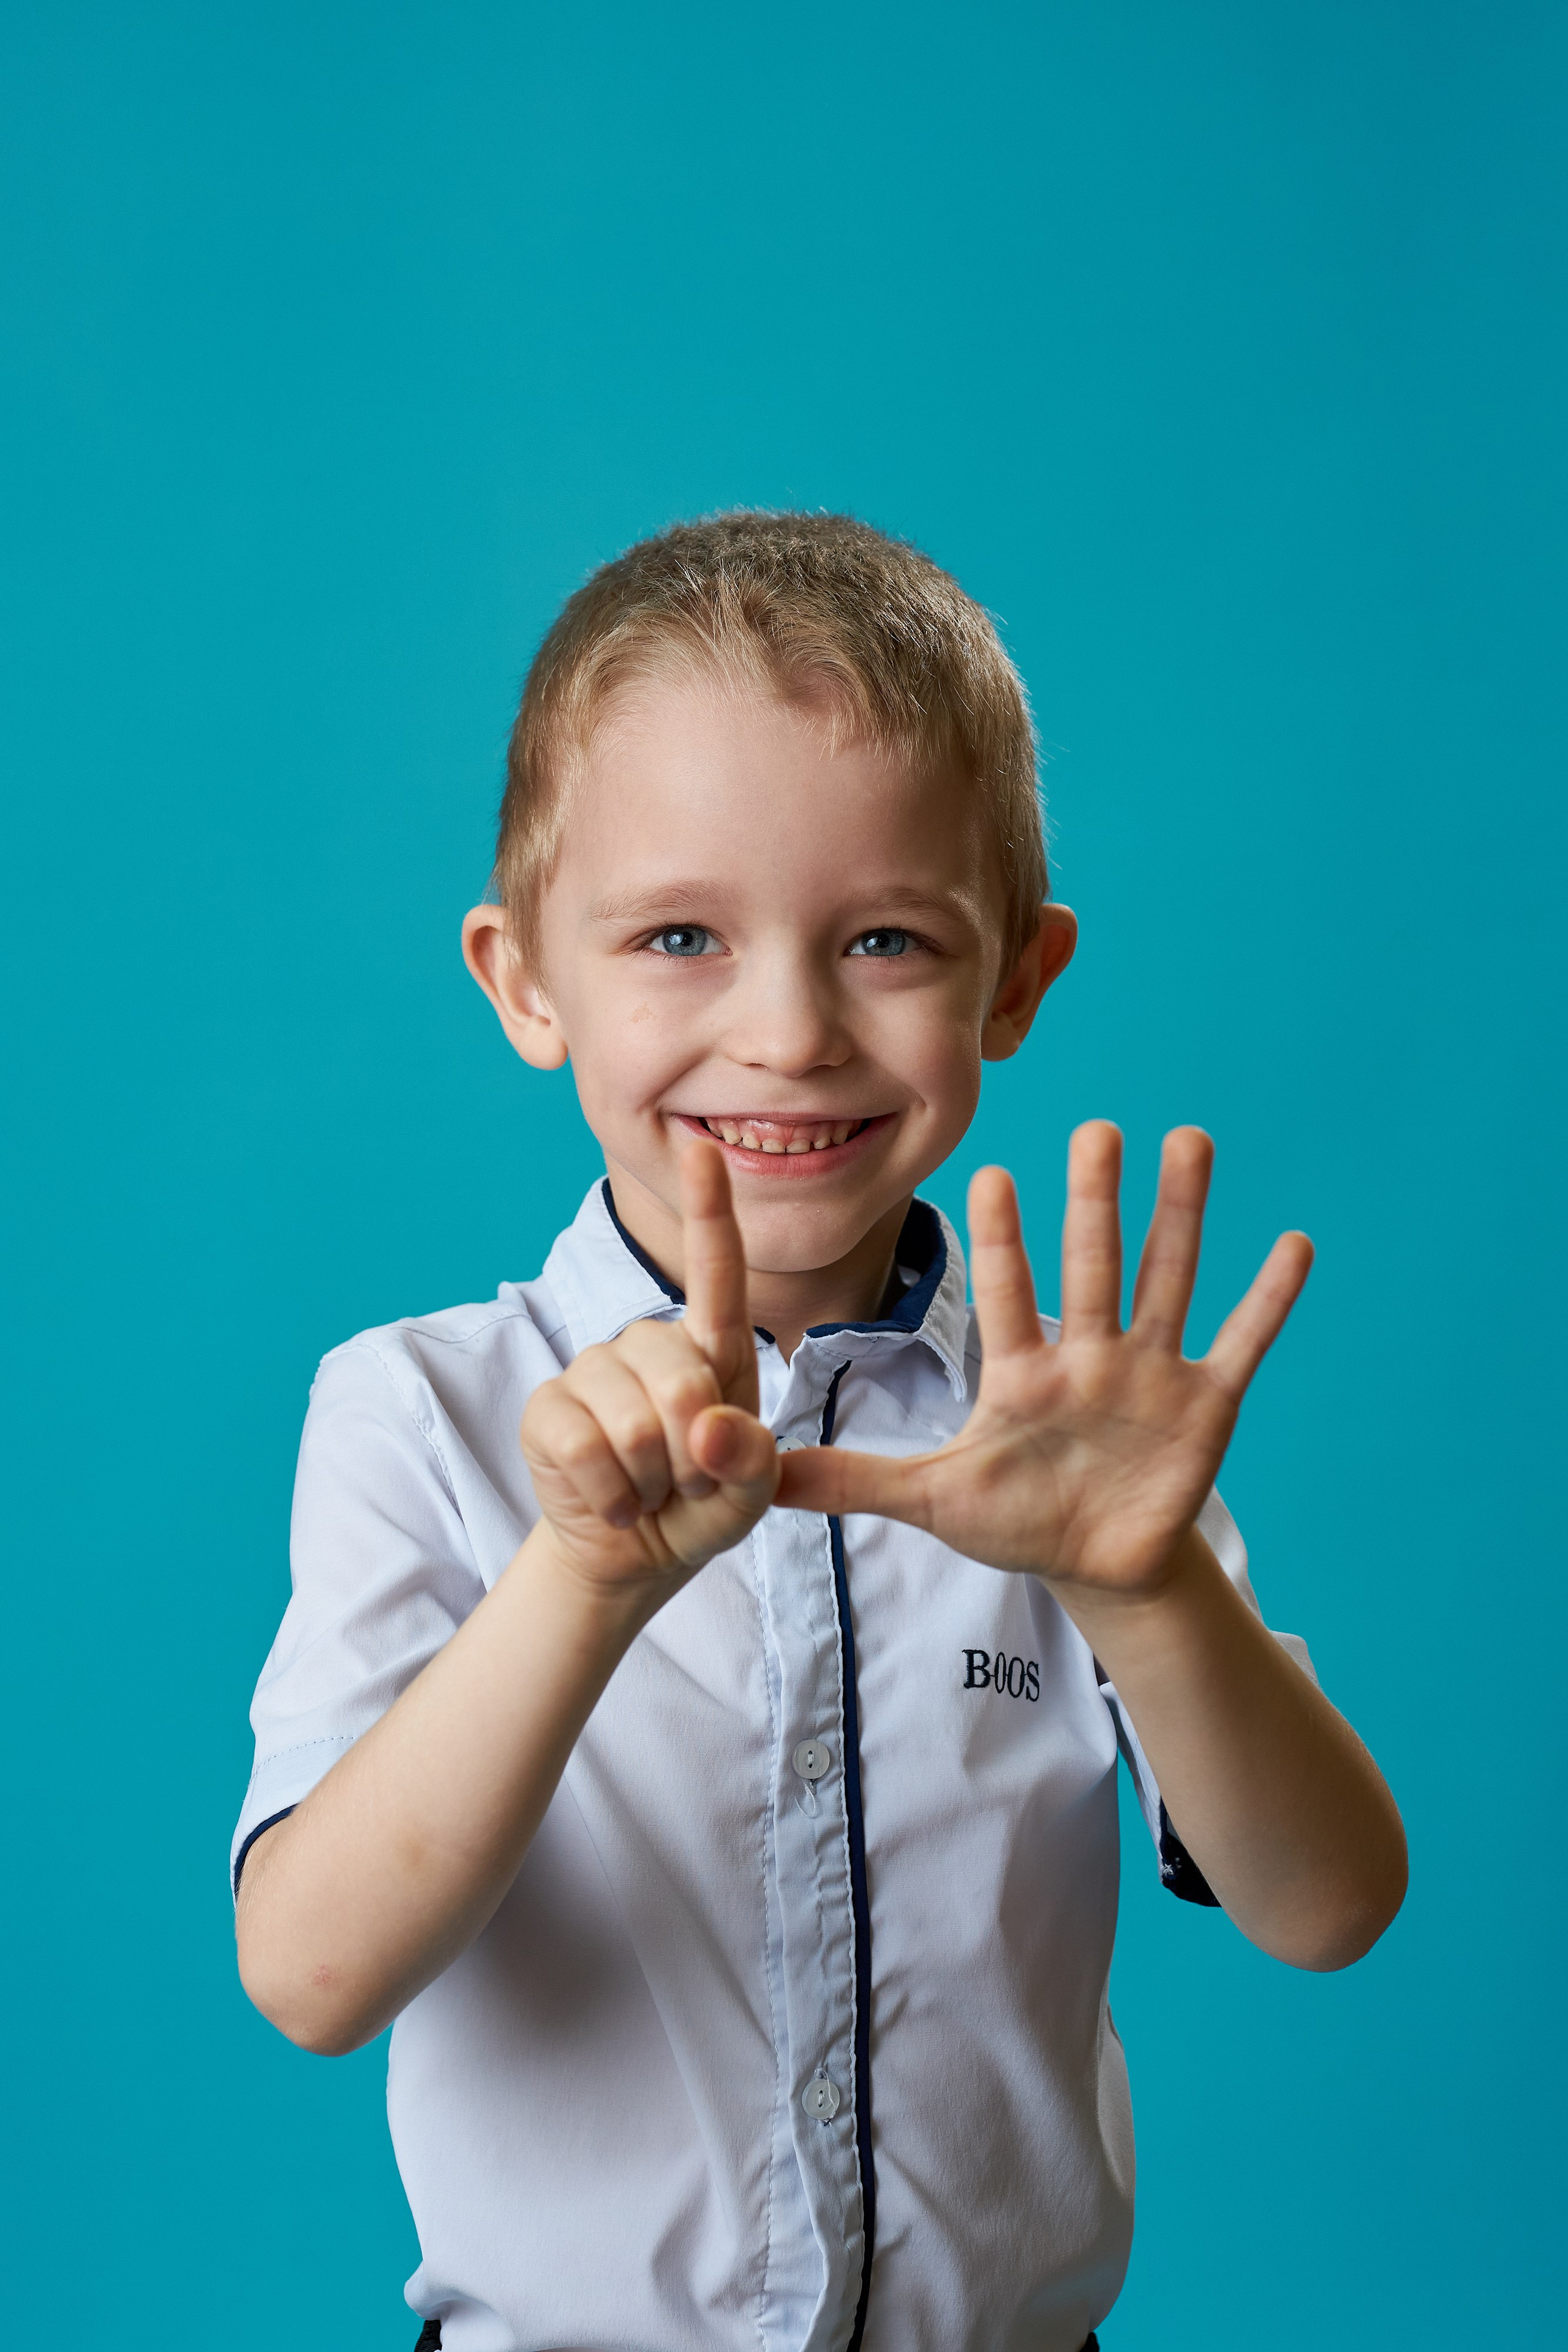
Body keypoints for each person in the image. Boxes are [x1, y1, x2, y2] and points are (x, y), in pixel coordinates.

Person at [232, 511, 1406, 2352]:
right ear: (527, 977)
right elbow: (309, 1976)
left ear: (1016, 978)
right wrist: (582, 1580)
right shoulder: (423, 1410)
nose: (786, 1033)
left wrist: (1154, 1587)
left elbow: (1329, 1907)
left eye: (883, 940)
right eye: (680, 936)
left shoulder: (1072, 1439)